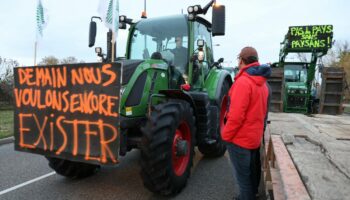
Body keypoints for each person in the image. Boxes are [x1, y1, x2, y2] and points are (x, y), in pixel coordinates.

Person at [222, 47, 271, 200]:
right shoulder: (263, 84)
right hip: (253, 139)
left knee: (243, 181)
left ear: (242, 60)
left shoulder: (243, 82)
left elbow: (236, 117)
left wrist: (225, 136)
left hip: (239, 140)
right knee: (249, 176)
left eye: (238, 59)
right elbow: (262, 114)